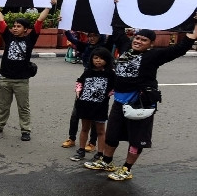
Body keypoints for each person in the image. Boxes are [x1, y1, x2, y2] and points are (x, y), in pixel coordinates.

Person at [83, 23, 197, 181]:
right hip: (119, 102)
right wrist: (118, 4)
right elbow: (117, 30)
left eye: (144, 40)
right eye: (137, 38)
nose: (138, 41)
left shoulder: (154, 56)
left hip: (139, 104)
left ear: (151, 44)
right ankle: (107, 162)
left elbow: (180, 48)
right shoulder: (125, 47)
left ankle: (126, 169)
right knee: (112, 135)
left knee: (136, 139)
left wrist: (195, 29)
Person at [0, 0, 57, 140]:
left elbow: (40, 20)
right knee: (3, 106)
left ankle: (25, 130)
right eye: (14, 26)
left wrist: (49, 6)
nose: (15, 28)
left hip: (21, 80)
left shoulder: (30, 38)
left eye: (19, 26)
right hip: (5, 78)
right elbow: (0, 20)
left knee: (23, 107)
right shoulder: (9, 36)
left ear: (26, 29)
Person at [61, 30, 110, 150]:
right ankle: (72, 138)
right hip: (86, 80)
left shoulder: (105, 48)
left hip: (100, 85)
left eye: (95, 36)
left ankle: (92, 142)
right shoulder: (86, 47)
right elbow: (73, 41)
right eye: (90, 35)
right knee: (76, 114)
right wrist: (65, 29)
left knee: (95, 117)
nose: (92, 38)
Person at [70, 47, 115, 162]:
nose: (98, 60)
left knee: (100, 131)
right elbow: (79, 81)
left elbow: (116, 87)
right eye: (96, 58)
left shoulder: (110, 73)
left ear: (107, 60)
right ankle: (81, 150)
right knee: (85, 128)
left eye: (101, 58)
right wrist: (78, 91)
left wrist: (108, 94)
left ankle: (100, 153)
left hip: (100, 106)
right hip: (85, 105)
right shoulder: (88, 71)